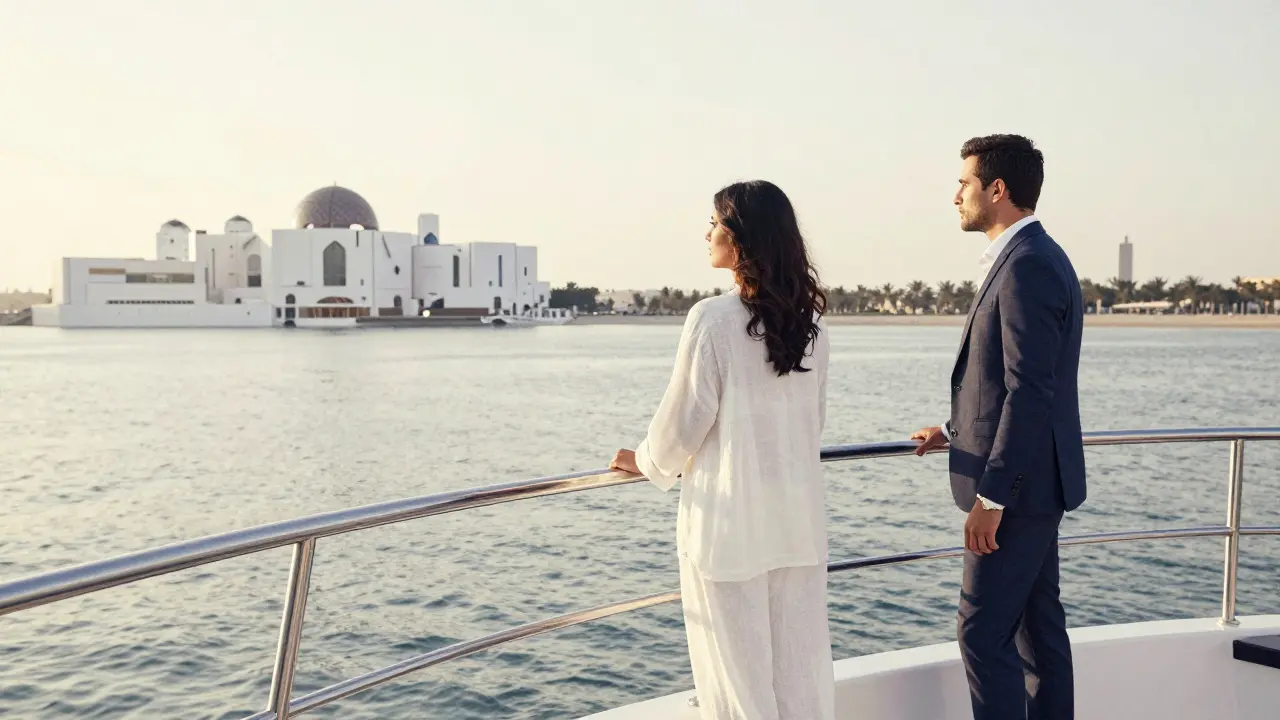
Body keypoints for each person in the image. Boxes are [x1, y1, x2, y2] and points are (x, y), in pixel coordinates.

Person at [610, 180, 834, 719]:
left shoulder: (712, 320)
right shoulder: (812, 326)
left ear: (740, 238)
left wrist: (643, 460)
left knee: (736, 685)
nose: (707, 232)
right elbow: (814, 423)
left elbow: (682, 426)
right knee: (800, 676)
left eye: (715, 222)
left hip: (730, 529)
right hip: (795, 524)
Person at [911, 134, 1086, 720]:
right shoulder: (1033, 257)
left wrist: (991, 496)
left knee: (981, 635)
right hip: (1036, 486)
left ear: (997, 189)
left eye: (964, 182)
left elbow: (1030, 390)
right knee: (1039, 634)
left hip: (1017, 492)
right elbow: (1008, 382)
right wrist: (954, 427)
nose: (955, 193)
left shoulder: (1027, 266)